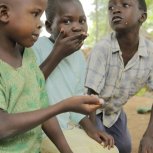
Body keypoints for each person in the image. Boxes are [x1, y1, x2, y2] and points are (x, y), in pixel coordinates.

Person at [0, 0, 105, 152]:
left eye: (41, 16)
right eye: (35, 14)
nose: (40, 24)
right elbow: (2, 126)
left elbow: (41, 105)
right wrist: (62, 107)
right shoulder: (35, 49)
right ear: (4, 13)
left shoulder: (27, 55)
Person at [32, 0, 119, 153]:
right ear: (48, 26)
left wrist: (91, 129)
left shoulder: (79, 58)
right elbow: (31, 88)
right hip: (41, 132)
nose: (77, 26)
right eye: (67, 21)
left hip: (68, 128)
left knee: (111, 150)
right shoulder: (36, 47)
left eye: (82, 21)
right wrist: (58, 54)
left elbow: (75, 100)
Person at [82, 0, 153, 153]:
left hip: (114, 111)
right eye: (111, 7)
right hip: (89, 111)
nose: (115, 10)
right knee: (102, 148)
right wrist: (93, 132)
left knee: (125, 148)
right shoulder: (102, 49)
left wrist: (149, 136)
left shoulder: (151, 54)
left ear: (142, 17)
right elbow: (90, 97)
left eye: (125, 5)